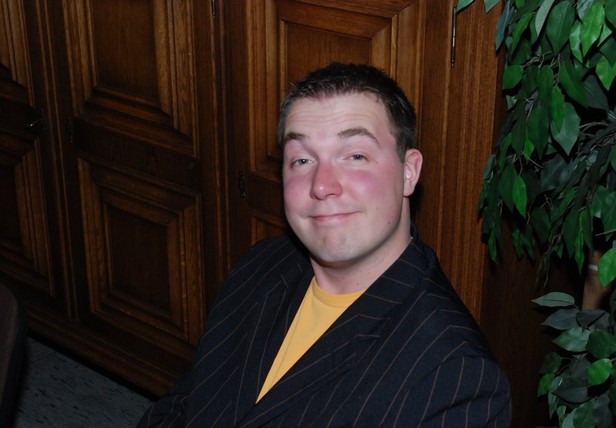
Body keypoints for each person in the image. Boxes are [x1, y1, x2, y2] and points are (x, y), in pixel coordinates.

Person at [138, 63, 511, 427]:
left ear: (408, 172)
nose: (321, 184)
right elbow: (188, 401)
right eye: (302, 159)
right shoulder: (261, 265)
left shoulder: (457, 376)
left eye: (355, 156)